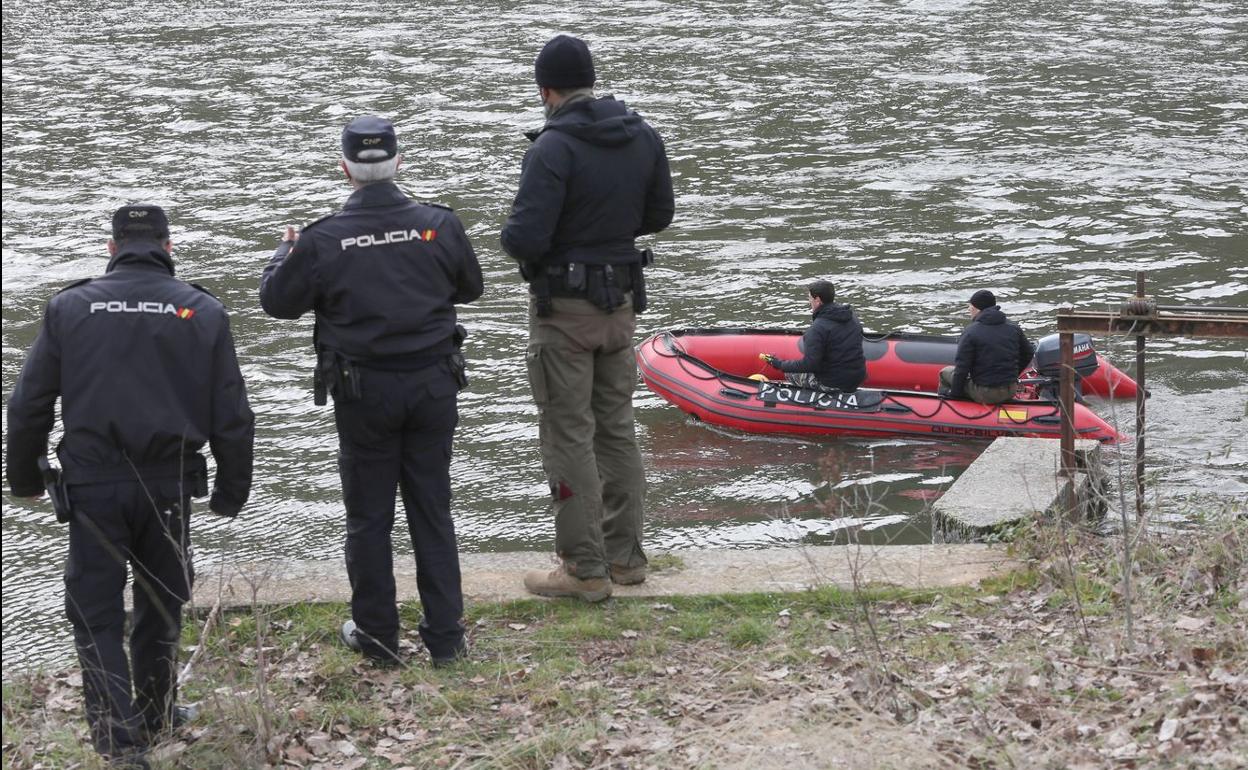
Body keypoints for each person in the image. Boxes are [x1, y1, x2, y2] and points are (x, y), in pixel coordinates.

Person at [5, 205, 255, 768]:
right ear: (168, 246)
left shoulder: (71, 307)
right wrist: (231, 491)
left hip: (93, 487)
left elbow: (27, 407)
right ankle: (155, 713)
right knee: (161, 605)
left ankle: (122, 743)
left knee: (95, 614)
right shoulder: (202, 309)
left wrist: (24, 476)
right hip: (168, 485)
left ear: (112, 247)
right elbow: (233, 414)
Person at [260, 116, 483, 666]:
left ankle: (379, 638)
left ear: (345, 169)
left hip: (365, 394)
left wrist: (282, 254)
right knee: (432, 509)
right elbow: (471, 288)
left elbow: (277, 302)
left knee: (368, 516)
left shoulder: (321, 238)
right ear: (398, 162)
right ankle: (446, 641)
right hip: (434, 385)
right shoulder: (439, 225)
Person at [501, 34, 674, 602]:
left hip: (564, 313)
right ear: (591, 81)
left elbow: (524, 238)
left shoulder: (551, 148)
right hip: (620, 307)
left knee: (567, 432)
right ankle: (626, 558)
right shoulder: (640, 134)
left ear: (546, 90)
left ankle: (583, 568)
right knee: (617, 429)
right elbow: (659, 214)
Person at [761, 280, 867, 392]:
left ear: (817, 300)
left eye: (810, 298)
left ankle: (809, 399)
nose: (809, 301)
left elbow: (809, 365)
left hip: (835, 382)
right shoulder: (851, 317)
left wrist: (779, 364)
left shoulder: (817, 329)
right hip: (858, 377)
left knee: (791, 374)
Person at [938, 289, 1036, 404]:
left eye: (970, 306)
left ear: (977, 309)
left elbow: (962, 368)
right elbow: (1028, 353)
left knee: (945, 372)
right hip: (1010, 389)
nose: (968, 309)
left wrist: (955, 394)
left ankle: (950, 406)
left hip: (986, 393)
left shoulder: (971, 332)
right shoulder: (1013, 327)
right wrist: (1012, 376)